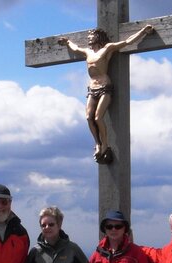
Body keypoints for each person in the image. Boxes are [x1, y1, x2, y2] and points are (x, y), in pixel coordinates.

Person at [58, 25, 154, 163]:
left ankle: (105, 144)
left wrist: (143, 31)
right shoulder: (87, 52)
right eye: (89, 37)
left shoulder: (107, 49)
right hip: (92, 88)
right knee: (88, 117)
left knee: (98, 117)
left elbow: (127, 42)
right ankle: (98, 143)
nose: (89, 38)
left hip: (104, 87)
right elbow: (75, 48)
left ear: (98, 37)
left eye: (91, 36)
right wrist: (67, 42)